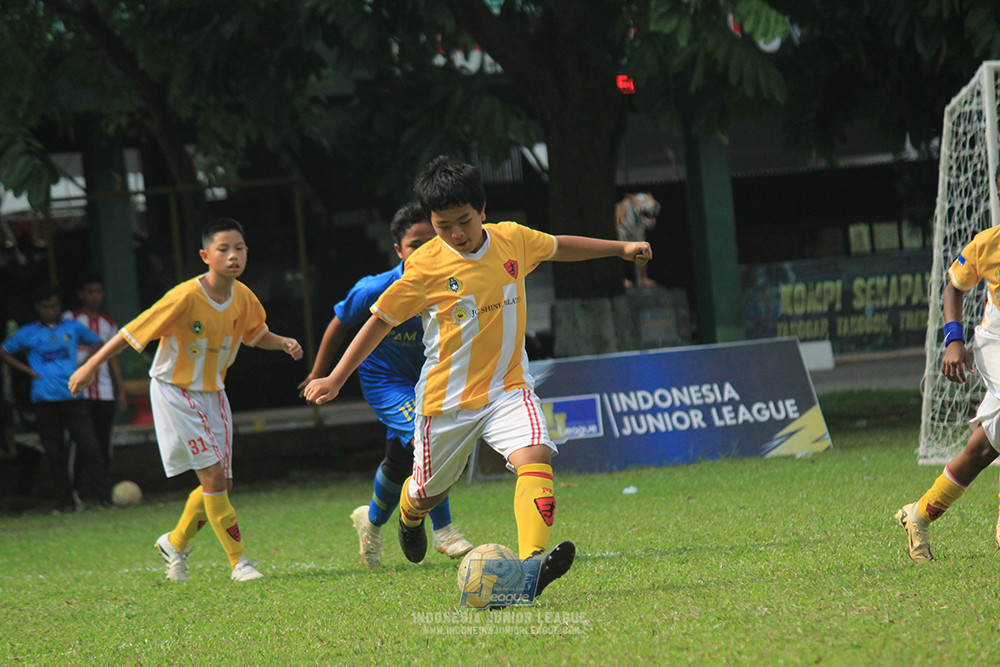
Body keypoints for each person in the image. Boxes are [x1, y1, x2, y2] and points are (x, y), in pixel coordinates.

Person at [304, 156, 652, 598]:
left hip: (508, 388)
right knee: (427, 492)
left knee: (535, 455)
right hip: (445, 403)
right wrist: (335, 377)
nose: (456, 234)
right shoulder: (424, 266)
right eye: (443, 225)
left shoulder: (512, 240)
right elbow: (378, 322)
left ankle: (530, 567)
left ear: (483, 210)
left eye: (464, 221)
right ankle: (410, 515)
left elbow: (558, 246)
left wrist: (620, 249)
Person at [69, 218, 303, 583]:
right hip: (175, 391)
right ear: (205, 256)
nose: (233, 256)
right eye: (223, 249)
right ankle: (239, 563)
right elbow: (131, 332)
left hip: (214, 393)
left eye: (239, 248)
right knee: (212, 475)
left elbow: (256, 334)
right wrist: (89, 366)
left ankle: (174, 543)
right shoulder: (184, 296)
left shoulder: (244, 297)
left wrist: (282, 342)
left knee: (220, 484)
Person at [298, 204, 473, 570]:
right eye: (414, 245)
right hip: (386, 383)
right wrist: (318, 372)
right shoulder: (374, 288)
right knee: (427, 438)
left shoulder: (453, 281)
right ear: (398, 249)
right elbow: (339, 323)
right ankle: (444, 531)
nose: (425, 250)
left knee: (398, 462)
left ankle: (371, 524)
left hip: (429, 381)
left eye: (431, 241)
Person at [895, 168, 1000, 561]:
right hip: (996, 341)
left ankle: (919, 514)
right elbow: (953, 288)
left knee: (982, 449)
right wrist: (953, 340)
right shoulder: (987, 244)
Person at [0, 283, 109, 513]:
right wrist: (27, 371)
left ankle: (104, 499)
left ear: (60, 306)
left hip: (74, 395)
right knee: (54, 452)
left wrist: (85, 365)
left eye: (55, 306)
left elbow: (98, 342)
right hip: (44, 399)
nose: (51, 311)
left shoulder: (72, 327)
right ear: (38, 308)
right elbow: (4, 350)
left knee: (90, 447)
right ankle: (65, 502)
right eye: (46, 307)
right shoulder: (28, 332)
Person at [65, 273, 128, 509]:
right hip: (78, 391)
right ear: (81, 294)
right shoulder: (70, 318)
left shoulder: (109, 322)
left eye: (98, 291)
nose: (95, 296)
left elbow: (113, 358)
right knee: (80, 444)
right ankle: (74, 492)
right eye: (90, 292)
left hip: (104, 391)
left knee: (103, 444)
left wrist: (120, 389)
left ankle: (104, 495)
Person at [0, 395, 42, 500]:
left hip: (4, 444)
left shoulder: (4, 405)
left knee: (34, 456)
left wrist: (11, 447)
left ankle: (22, 495)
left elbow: (7, 428)